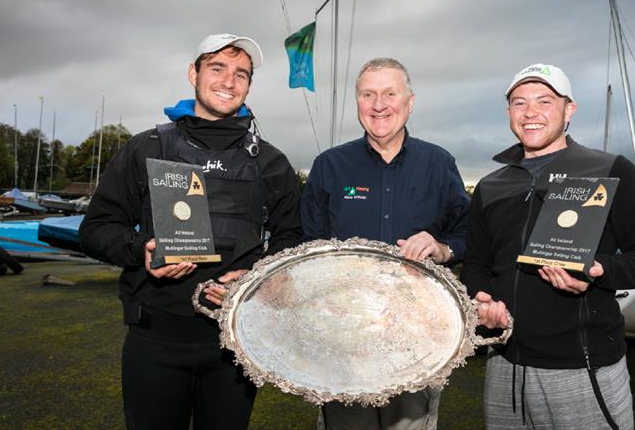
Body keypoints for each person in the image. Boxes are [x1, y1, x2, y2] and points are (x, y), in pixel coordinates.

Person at [80, 33, 302, 430]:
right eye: (217, 68)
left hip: (235, 342)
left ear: (249, 85)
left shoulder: (271, 162)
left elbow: (292, 239)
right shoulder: (145, 148)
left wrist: (258, 276)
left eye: (241, 74)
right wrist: (139, 250)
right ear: (193, 73)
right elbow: (96, 228)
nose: (228, 81)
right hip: (154, 338)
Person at [460, 63, 635, 430]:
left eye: (545, 101)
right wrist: (481, 300)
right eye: (519, 102)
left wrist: (598, 270)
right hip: (504, 364)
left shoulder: (611, 170)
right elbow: (478, 264)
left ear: (569, 109)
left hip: (583, 367)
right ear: (509, 113)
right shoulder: (490, 185)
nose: (530, 112)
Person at [301, 57, 470, 430]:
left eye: (390, 94)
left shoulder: (439, 164)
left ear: (409, 102)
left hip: (417, 341)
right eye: (368, 94)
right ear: (357, 103)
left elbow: (468, 233)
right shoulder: (329, 166)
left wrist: (443, 248)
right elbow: (306, 252)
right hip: (344, 341)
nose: (379, 105)